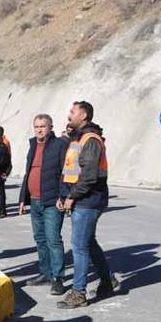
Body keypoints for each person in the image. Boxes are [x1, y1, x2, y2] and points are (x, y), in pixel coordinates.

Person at [56, 101, 118, 309]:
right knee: (89, 243)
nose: (69, 114)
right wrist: (64, 194)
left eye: (72, 111)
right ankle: (108, 281)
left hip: (88, 200)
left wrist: (72, 196)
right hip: (83, 198)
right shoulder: (79, 138)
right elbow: (71, 172)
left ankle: (78, 293)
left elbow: (89, 176)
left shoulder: (90, 139)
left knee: (79, 246)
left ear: (84, 115)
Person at [18, 114, 68, 295]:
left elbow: (65, 173)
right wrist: (23, 198)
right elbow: (28, 172)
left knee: (53, 240)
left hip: (52, 201)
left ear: (50, 127)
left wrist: (63, 196)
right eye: (36, 126)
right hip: (34, 201)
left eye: (43, 126)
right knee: (40, 239)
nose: (39, 129)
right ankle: (45, 273)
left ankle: (58, 278)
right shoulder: (33, 145)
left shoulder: (59, 145)